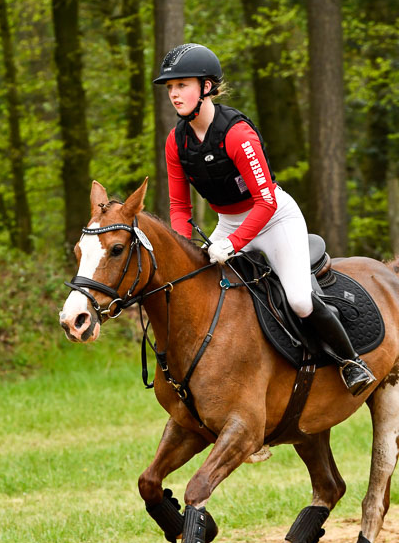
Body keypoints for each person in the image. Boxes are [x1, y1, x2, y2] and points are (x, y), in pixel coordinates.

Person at [153, 43, 375, 396]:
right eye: (170, 88)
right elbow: (180, 209)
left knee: (300, 300)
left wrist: (234, 243)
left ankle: (351, 361)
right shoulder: (175, 142)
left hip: (273, 218)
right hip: (227, 223)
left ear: (206, 87)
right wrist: (182, 250)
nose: (174, 95)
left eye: (182, 85)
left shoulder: (237, 135)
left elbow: (265, 202)